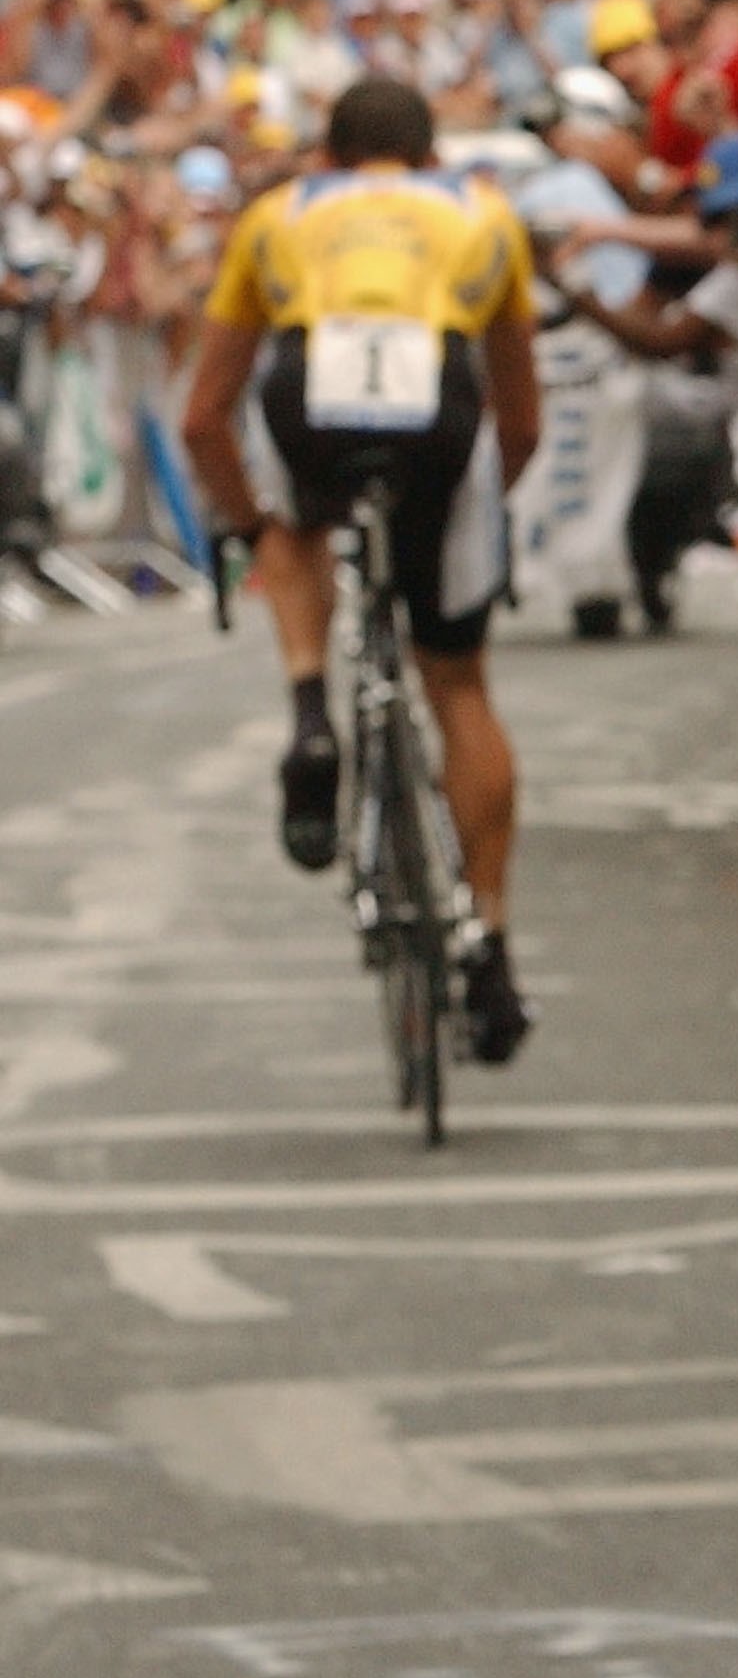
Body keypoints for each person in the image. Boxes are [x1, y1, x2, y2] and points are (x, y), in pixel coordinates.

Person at [180, 76, 546, 1064]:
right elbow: (519, 419)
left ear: (330, 156)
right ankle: (491, 939)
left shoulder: (278, 213)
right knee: (460, 684)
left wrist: (252, 523)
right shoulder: (483, 210)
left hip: (313, 389)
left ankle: (310, 707)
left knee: (290, 521)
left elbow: (203, 414)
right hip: (442, 401)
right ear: (430, 156)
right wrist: (480, 504)